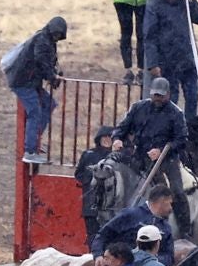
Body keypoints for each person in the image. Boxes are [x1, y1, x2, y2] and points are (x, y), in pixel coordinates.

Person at [114, 77, 191, 210]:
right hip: (139, 156)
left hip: (167, 160)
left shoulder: (176, 114)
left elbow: (182, 139)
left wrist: (161, 151)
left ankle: (184, 228)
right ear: (151, 93)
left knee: (177, 191)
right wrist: (117, 138)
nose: (158, 98)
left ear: (168, 94)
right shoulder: (138, 108)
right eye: (156, 95)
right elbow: (122, 127)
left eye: (161, 96)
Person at [142, 0, 198, 115]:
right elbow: (149, 37)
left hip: (187, 60)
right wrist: (153, 64)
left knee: (192, 97)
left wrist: (190, 0)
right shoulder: (155, 7)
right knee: (172, 99)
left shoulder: (184, 3)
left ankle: (189, 131)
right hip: (167, 61)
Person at [8, 16, 66, 165]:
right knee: (35, 112)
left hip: (30, 82)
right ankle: (30, 151)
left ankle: (34, 141)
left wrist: (53, 75)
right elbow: (41, 61)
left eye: (59, 35)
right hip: (23, 82)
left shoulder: (47, 40)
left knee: (49, 104)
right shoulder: (42, 40)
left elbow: (47, 62)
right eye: (56, 34)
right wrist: (51, 77)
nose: (57, 37)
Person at [94, 184, 177, 256]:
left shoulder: (166, 228)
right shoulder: (130, 215)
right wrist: (98, 255)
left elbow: (169, 256)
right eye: (169, 203)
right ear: (161, 201)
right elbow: (102, 235)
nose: (171, 208)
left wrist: (155, 261)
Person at [75, 125, 117, 245]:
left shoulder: (117, 157)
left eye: (110, 137)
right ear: (99, 138)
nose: (107, 140)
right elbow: (79, 174)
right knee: (93, 235)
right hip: (92, 203)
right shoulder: (89, 155)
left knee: (110, 236)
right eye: (104, 137)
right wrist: (92, 180)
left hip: (111, 206)